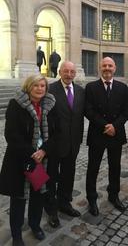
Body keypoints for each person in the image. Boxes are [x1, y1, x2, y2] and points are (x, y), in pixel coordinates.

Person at [0, 75, 58, 246]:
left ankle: (35, 225)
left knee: (38, 197)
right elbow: (11, 134)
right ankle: (17, 234)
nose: (40, 89)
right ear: (28, 87)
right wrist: (33, 153)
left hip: (44, 160)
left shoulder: (50, 105)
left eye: (43, 86)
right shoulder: (15, 105)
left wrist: (44, 150)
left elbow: (57, 133)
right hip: (21, 159)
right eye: (36, 85)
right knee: (18, 199)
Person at [85, 57, 128, 216]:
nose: (107, 68)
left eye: (110, 65)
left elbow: (126, 111)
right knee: (93, 168)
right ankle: (91, 199)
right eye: (104, 65)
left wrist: (114, 126)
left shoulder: (123, 87)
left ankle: (113, 195)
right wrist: (105, 125)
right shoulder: (90, 87)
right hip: (98, 133)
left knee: (115, 167)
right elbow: (88, 111)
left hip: (115, 134)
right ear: (100, 67)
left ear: (115, 68)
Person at [44, 61, 85, 228]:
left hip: (73, 143)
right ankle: (51, 208)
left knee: (68, 175)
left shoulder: (81, 91)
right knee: (51, 177)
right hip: (54, 144)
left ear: (75, 74)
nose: (69, 74)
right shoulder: (50, 90)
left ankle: (65, 203)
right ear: (59, 72)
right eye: (65, 71)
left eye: (72, 71)